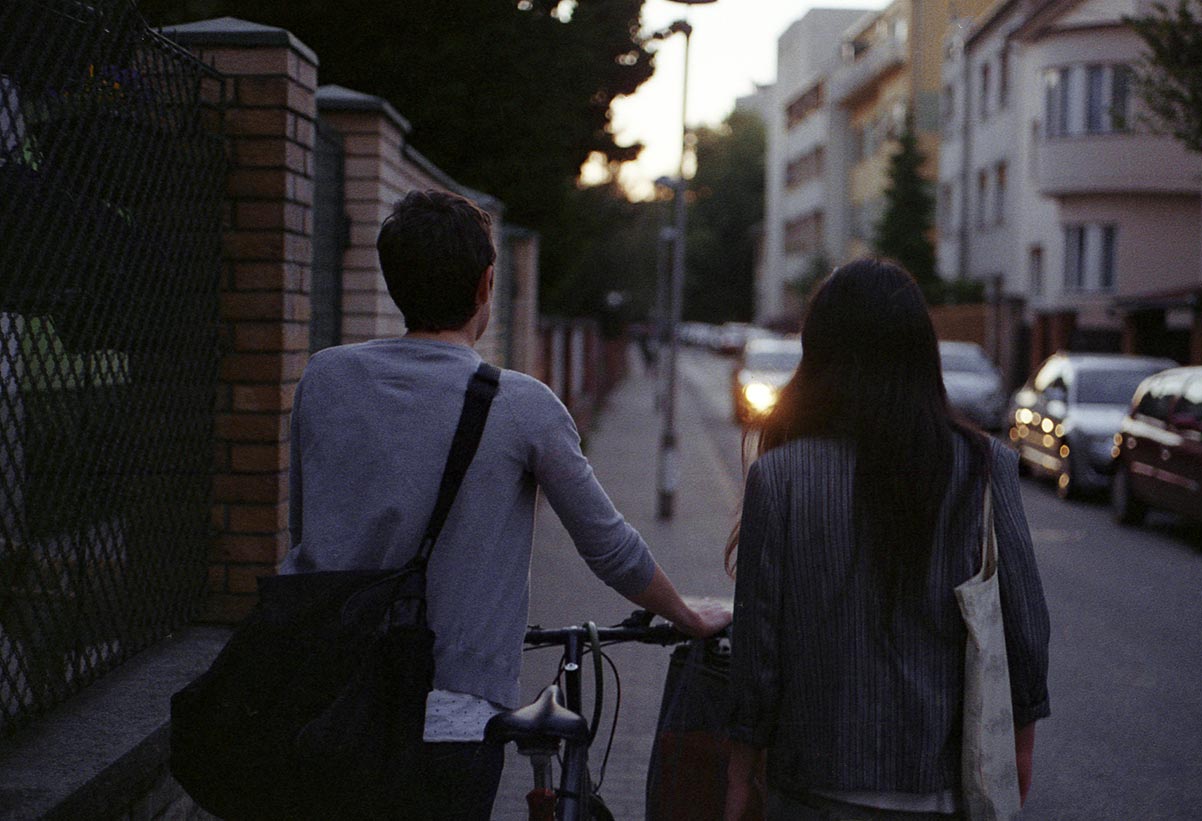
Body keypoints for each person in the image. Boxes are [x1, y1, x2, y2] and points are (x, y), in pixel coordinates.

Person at [282, 189, 731, 820]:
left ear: (393, 282)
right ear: (488, 284)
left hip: (324, 706)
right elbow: (608, 546)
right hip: (452, 719)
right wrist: (686, 614)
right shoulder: (520, 404)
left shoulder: (324, 378)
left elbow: (306, 532)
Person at [723, 259, 1050, 821]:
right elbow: (1024, 625)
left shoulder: (780, 479)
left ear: (818, 355)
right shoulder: (984, 469)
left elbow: (758, 648)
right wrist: (1018, 748)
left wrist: (740, 771)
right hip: (942, 788)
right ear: (921, 353)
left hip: (812, 788)